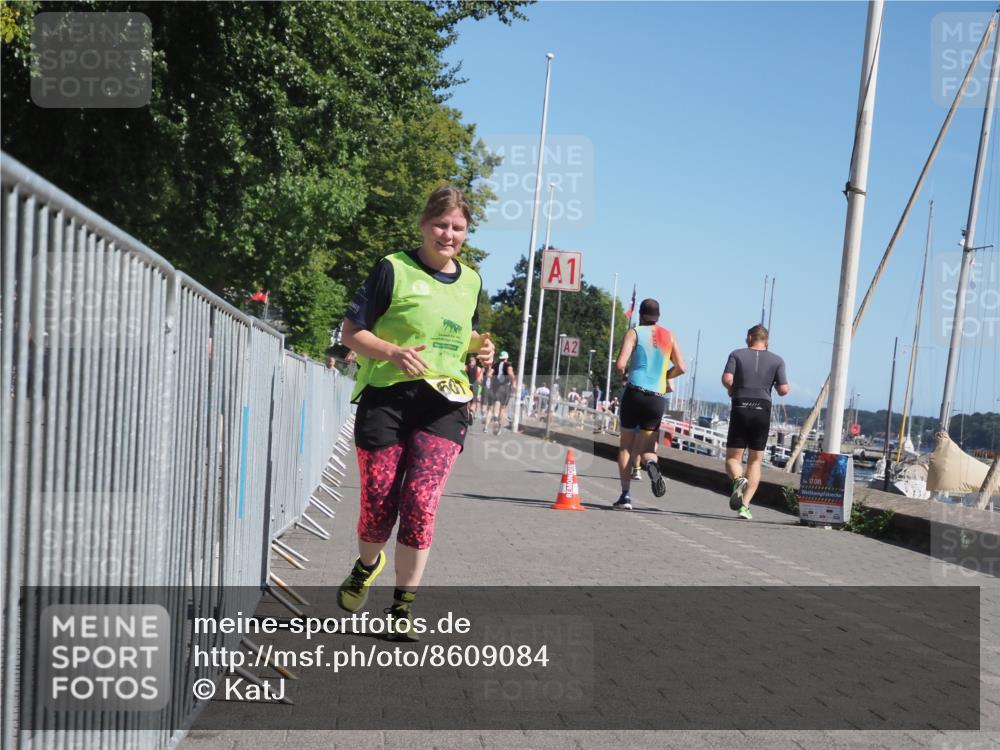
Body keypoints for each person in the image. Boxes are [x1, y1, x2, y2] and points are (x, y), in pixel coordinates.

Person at [337, 185, 494, 639]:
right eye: (441, 225)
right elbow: (352, 333)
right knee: (379, 503)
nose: (449, 234)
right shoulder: (394, 268)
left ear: (466, 232)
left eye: (458, 227)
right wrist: (391, 351)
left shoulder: (471, 281)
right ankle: (367, 564)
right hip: (387, 396)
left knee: (421, 501)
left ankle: (402, 606)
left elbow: (464, 334)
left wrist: (481, 350)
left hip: (444, 404)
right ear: (424, 225)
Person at [612, 299, 685, 509]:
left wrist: (624, 376)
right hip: (656, 398)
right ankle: (651, 464)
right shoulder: (669, 336)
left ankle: (625, 496)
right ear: (659, 316)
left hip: (635, 392)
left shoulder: (634, 333)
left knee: (626, 447)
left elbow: (620, 364)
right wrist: (665, 376)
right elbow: (681, 367)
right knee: (647, 448)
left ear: (640, 315)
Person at [721, 324, 790, 520]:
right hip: (762, 409)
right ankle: (744, 507)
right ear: (766, 341)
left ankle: (737, 479)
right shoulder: (777, 361)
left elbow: (727, 378)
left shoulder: (736, 354)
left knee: (733, 459)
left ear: (749, 337)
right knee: (755, 460)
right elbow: (784, 390)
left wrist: (733, 389)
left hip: (741, 405)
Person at [485, 351, 516, 435]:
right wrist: (513, 383)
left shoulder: (495, 365)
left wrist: (492, 380)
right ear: (506, 358)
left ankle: (495, 418)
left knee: (497, 402)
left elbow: (489, 374)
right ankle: (499, 426)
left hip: (496, 386)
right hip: (505, 387)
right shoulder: (508, 366)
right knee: (503, 408)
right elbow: (510, 373)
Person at [465, 355, 483, 421]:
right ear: (475, 362)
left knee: (467, 401)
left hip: (467, 385)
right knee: (474, 402)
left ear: (469, 361)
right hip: (475, 386)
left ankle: (466, 414)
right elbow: (480, 380)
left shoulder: (465, 367)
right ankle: (471, 412)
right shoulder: (479, 369)